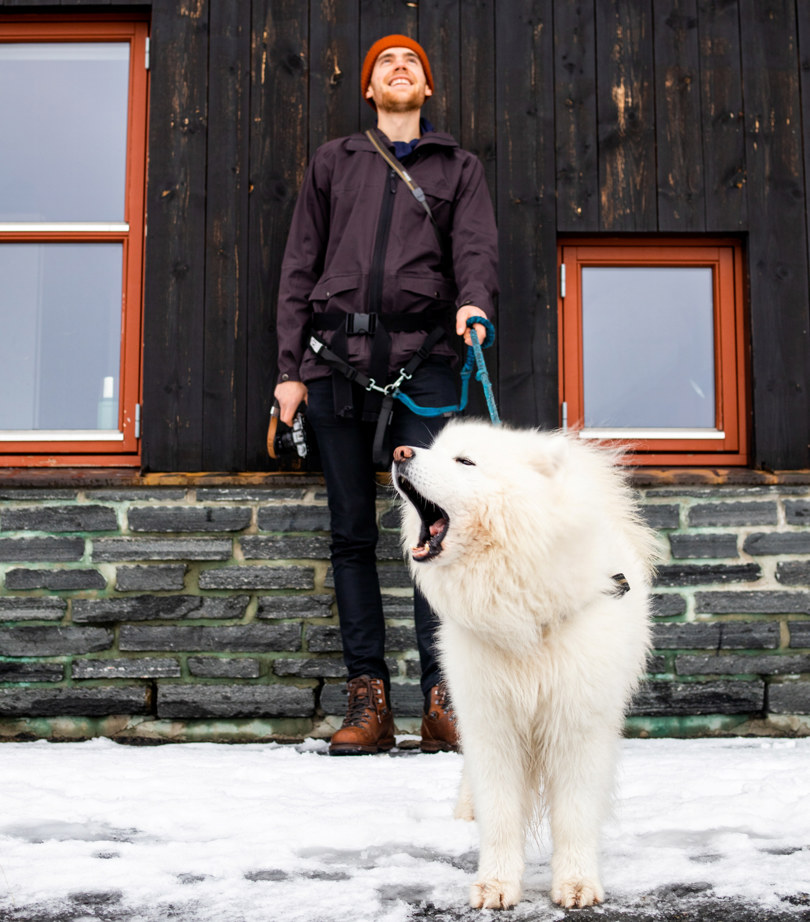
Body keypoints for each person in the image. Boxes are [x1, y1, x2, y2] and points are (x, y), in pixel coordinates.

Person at [274, 34, 498, 755]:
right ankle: (368, 700)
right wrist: (287, 371)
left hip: (425, 358)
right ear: (370, 89)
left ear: (425, 88)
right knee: (351, 533)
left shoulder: (458, 167)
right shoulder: (334, 162)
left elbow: (475, 249)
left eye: (412, 64)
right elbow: (299, 266)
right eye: (385, 65)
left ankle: (441, 700)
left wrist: (473, 306)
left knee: (436, 530)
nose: (399, 70)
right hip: (333, 362)